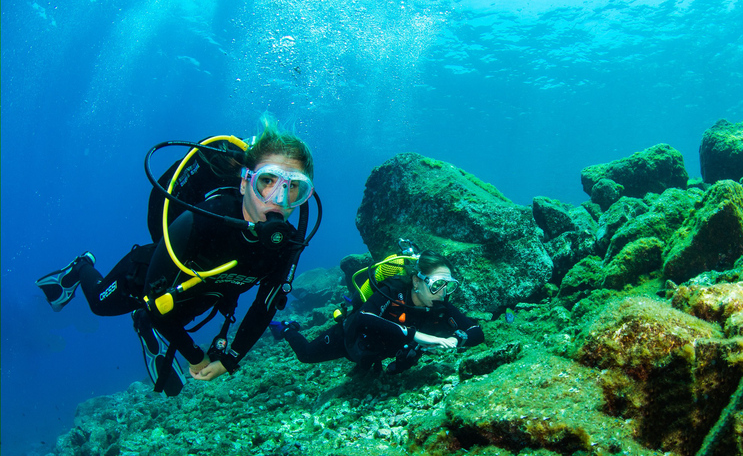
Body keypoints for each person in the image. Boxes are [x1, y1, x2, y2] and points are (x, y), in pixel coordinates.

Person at [35, 116, 317, 395]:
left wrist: (231, 358)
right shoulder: (203, 219)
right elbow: (156, 304)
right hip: (150, 277)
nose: (279, 199)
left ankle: (144, 323)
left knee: (171, 313)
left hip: (202, 294)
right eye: (267, 181)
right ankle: (81, 266)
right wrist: (195, 356)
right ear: (245, 183)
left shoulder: (287, 243)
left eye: (294, 187)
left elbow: (265, 306)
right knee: (100, 304)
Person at [272, 250, 484, 374]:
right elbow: (365, 317)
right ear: (416, 281)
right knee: (306, 354)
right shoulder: (392, 292)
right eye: (438, 284)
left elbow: (476, 330)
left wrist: (457, 340)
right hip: (350, 339)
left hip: (380, 352)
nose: (443, 292)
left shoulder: (440, 306)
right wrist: (416, 335)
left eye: (449, 285)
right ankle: (287, 328)